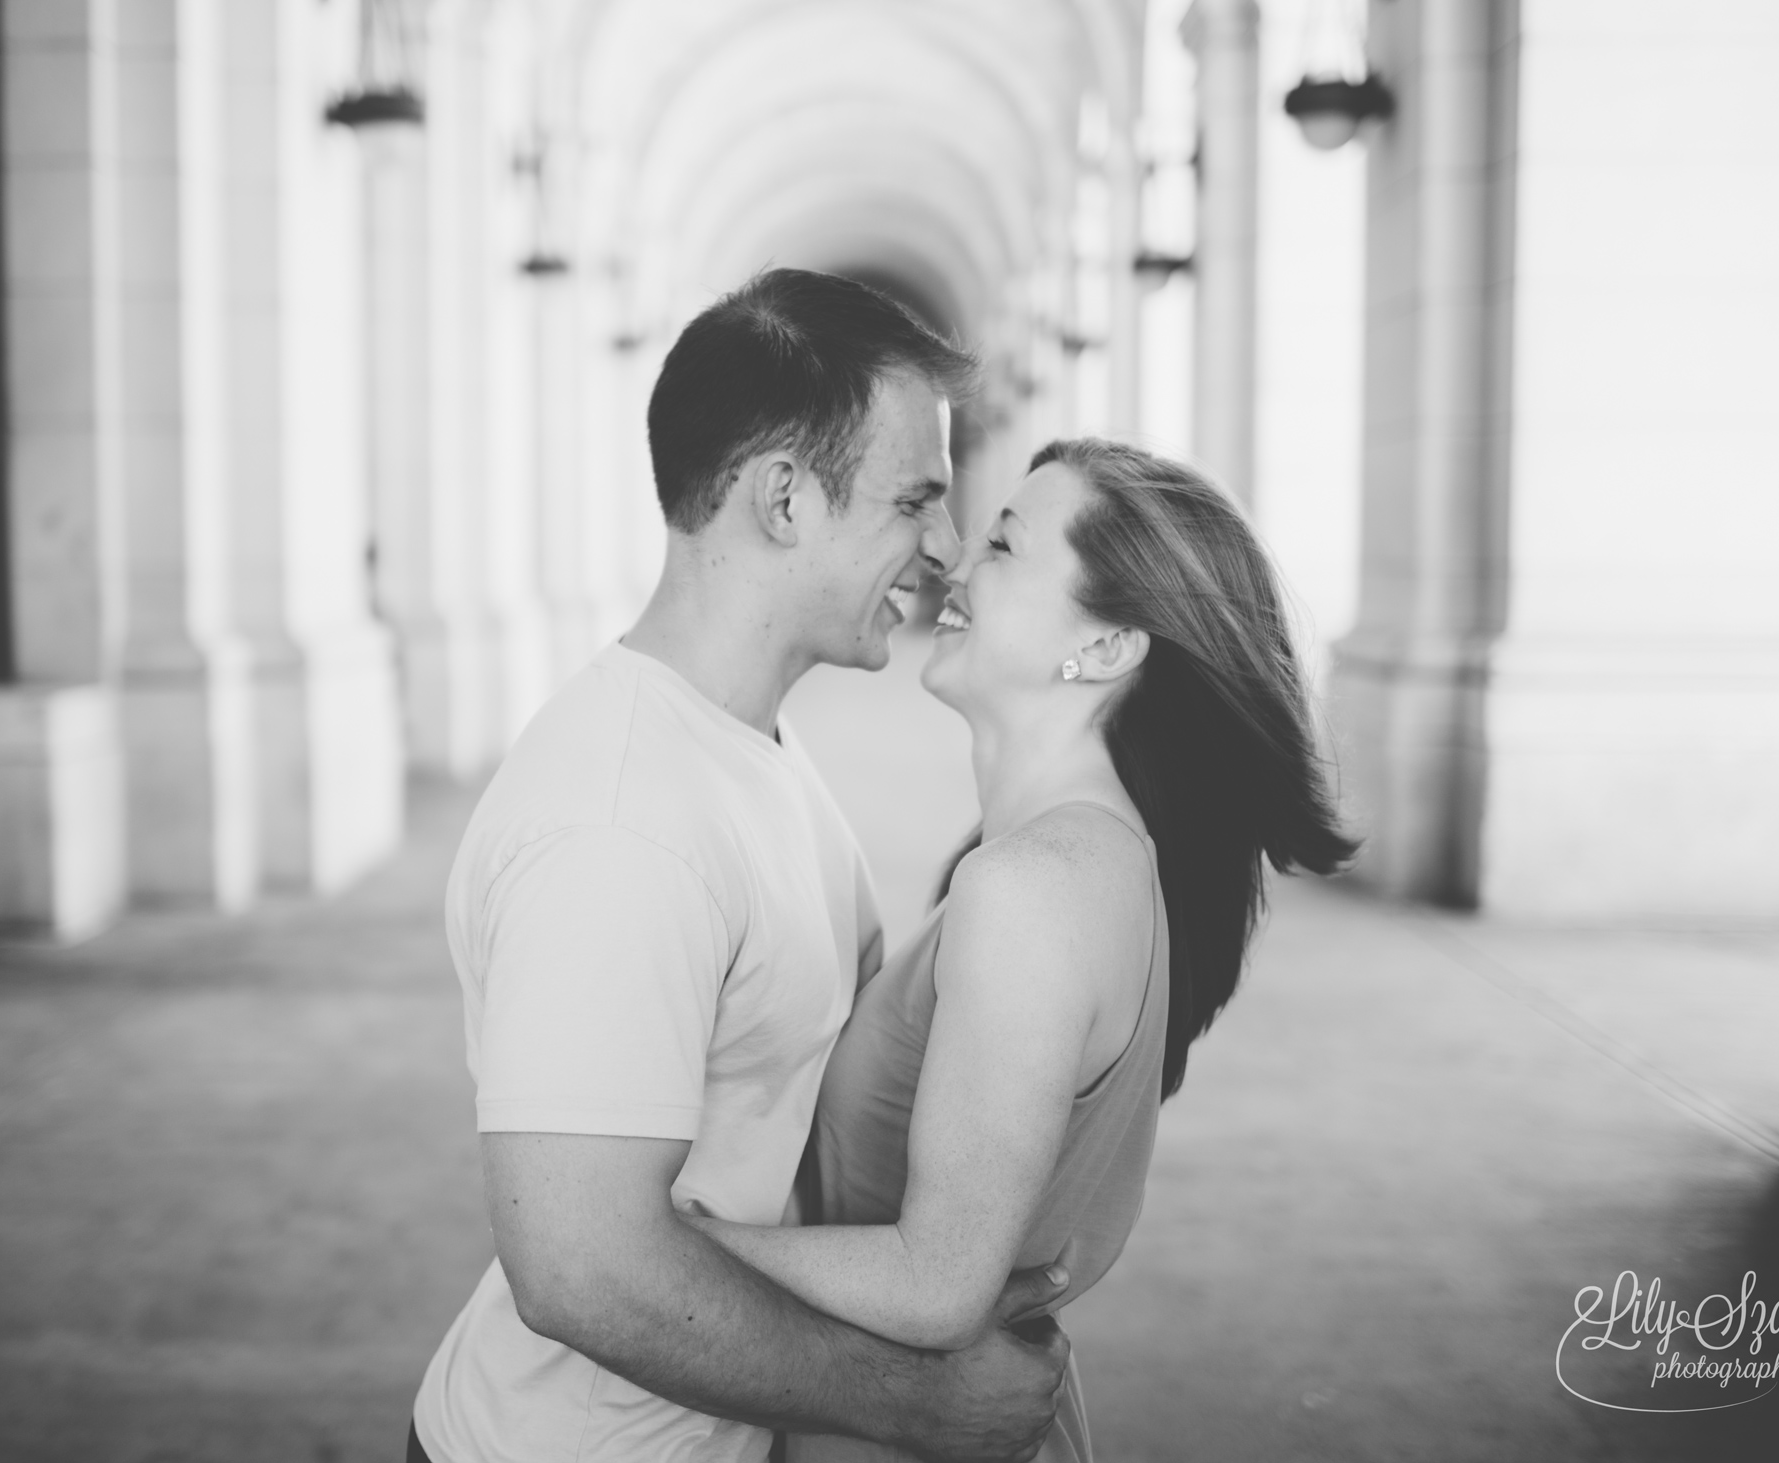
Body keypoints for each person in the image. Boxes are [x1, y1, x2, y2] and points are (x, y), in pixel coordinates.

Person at [408, 268, 1074, 1463]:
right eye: (914, 498)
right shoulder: (619, 829)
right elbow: (578, 1268)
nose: (941, 546)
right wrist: (913, 1402)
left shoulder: (744, 738)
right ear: (781, 499)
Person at [679, 438, 1358, 1461]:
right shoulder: (1083, 864)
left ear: (1106, 646)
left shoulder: (1033, 891)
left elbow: (936, 1282)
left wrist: (674, 1246)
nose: (954, 565)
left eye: (1003, 544)